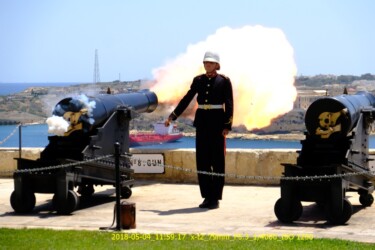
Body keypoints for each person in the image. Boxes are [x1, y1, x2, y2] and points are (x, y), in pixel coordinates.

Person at [164, 51, 234, 209]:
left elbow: (229, 104)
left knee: (217, 161)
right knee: (202, 161)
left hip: (217, 122)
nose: (207, 65)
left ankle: (215, 197)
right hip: (202, 122)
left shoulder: (224, 81)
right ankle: (206, 196)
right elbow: (187, 98)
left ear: (217, 65)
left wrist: (227, 126)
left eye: (210, 63)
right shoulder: (198, 80)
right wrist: (173, 116)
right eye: (205, 63)